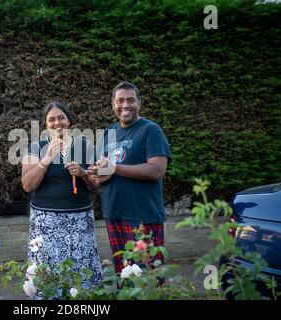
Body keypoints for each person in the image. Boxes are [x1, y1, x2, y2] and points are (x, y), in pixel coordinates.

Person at [86, 81, 173, 274]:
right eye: (120, 101)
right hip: (114, 214)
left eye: (130, 100)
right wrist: (95, 174)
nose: (125, 105)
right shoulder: (107, 133)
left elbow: (156, 170)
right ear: (113, 105)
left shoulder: (150, 130)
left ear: (139, 104)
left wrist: (115, 168)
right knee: (124, 277)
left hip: (143, 217)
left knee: (149, 279)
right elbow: (100, 177)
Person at [21, 102, 102, 298]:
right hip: (46, 223)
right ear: (45, 125)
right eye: (51, 119)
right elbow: (27, 185)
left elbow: (95, 183)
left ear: (69, 121)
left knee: (80, 270)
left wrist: (82, 172)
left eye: (61, 118)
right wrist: (46, 158)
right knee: (48, 271)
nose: (57, 122)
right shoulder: (35, 147)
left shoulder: (84, 145)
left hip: (80, 221)